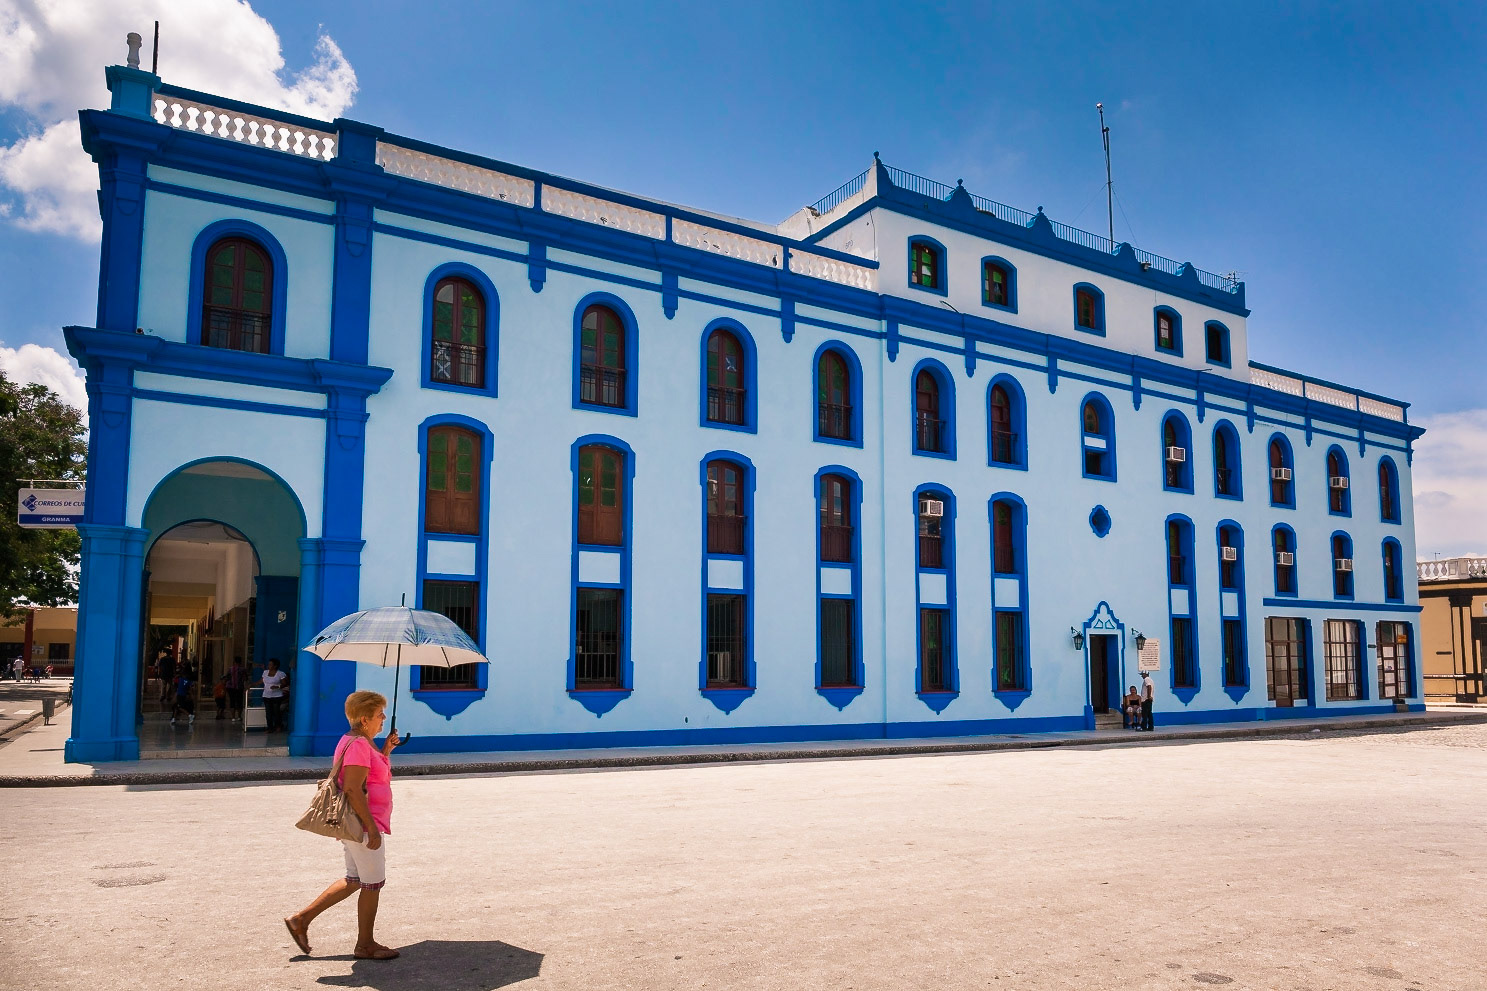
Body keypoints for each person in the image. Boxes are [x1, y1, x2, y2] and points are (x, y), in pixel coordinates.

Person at [284, 690, 403, 961]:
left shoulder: (360, 740)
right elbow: (351, 788)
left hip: (359, 824)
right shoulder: (360, 744)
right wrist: (371, 828)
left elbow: (368, 777)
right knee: (372, 884)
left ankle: (301, 920)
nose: (383, 718)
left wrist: (385, 750)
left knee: (354, 880)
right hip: (362, 825)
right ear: (364, 719)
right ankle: (365, 945)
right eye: (378, 714)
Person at [258, 658, 289, 732]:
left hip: (277, 696)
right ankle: (270, 728)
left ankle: (278, 726)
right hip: (266, 695)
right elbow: (261, 680)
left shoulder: (280, 674)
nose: (269, 666)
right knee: (268, 713)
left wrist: (277, 687)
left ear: (275, 666)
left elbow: (285, 683)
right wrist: (252, 684)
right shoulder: (265, 672)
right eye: (268, 664)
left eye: (270, 664)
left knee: (276, 712)